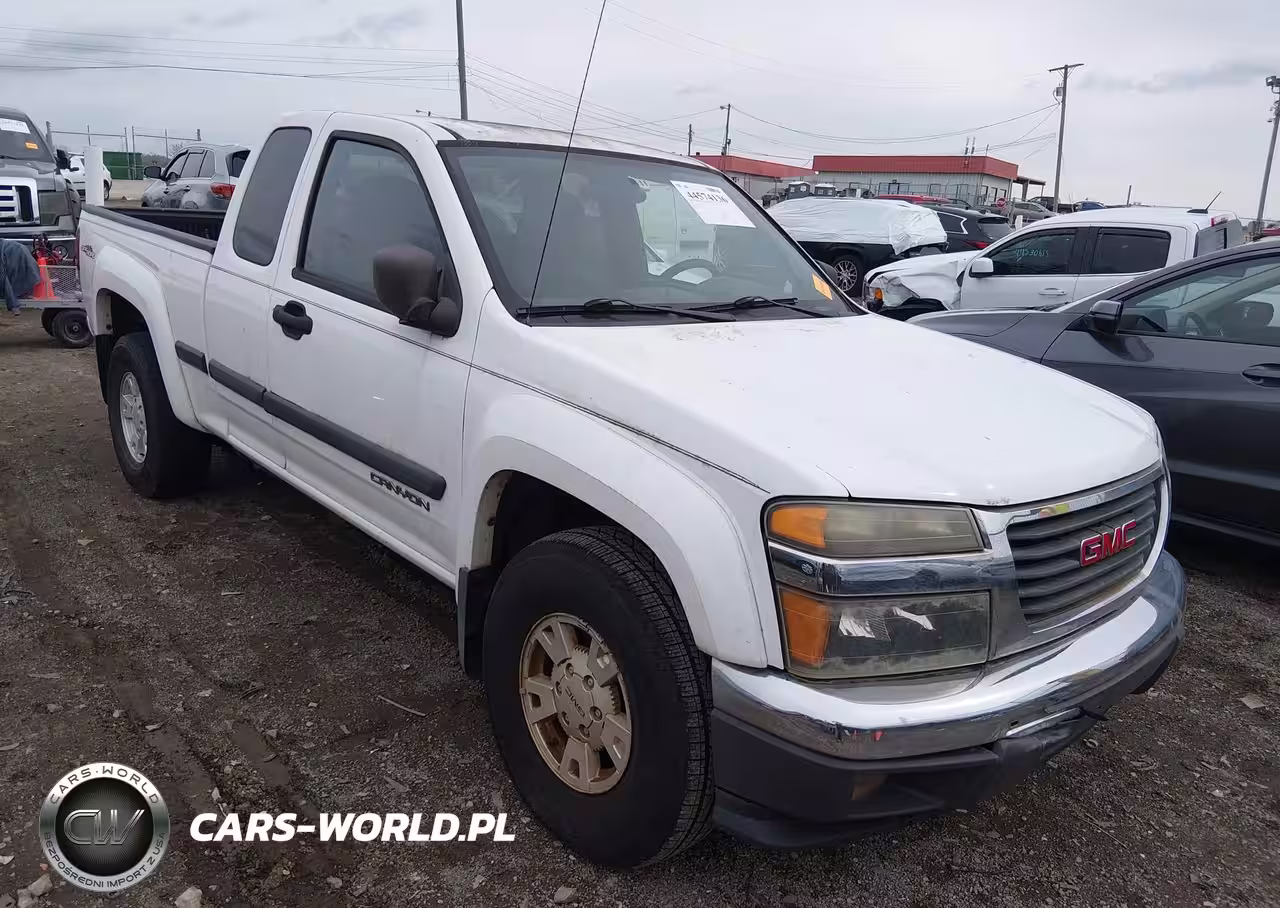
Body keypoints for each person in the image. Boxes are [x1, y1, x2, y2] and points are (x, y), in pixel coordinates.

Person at [1, 239, 40, 315]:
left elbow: (3, 277)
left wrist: (13, 305)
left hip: (17, 259)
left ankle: (13, 305)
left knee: (4, 278)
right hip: (24, 259)